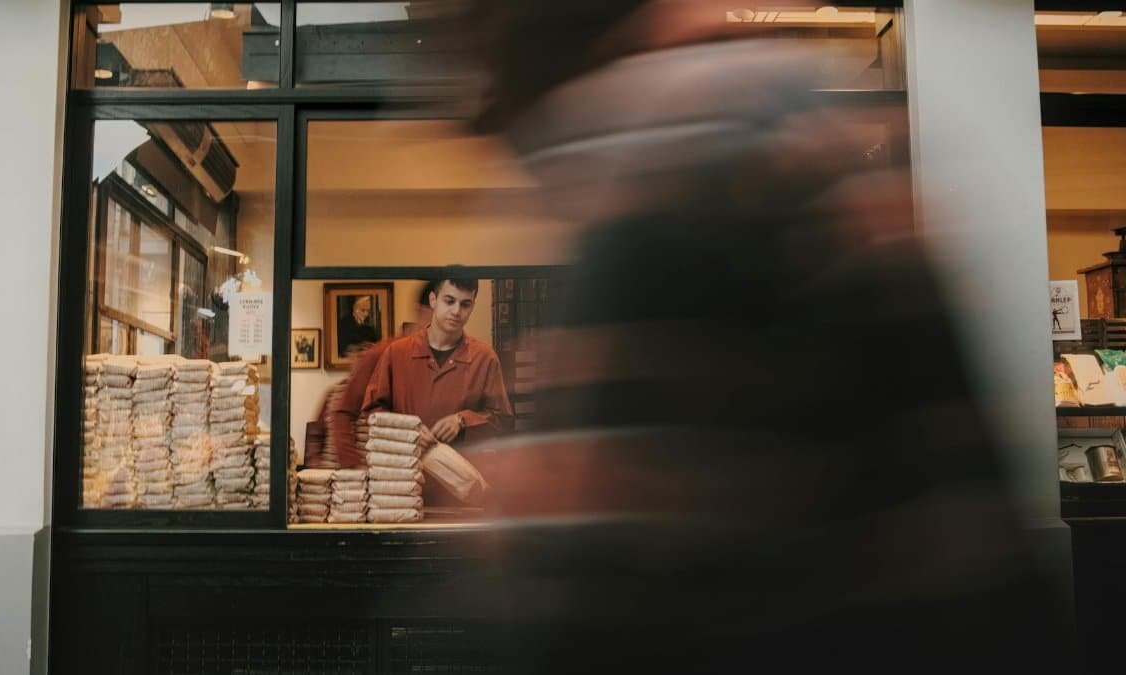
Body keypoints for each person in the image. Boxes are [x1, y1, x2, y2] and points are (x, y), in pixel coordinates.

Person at [424, 1, 1071, 672]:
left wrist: (541, 514)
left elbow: (608, 595)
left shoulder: (679, 159)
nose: (515, 162)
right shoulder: (782, 126)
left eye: (500, 117)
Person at [363, 278, 513, 451]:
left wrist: (462, 421)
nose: (456, 311)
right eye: (449, 301)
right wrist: (406, 431)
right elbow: (372, 413)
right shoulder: (396, 353)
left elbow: (503, 420)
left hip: (462, 472)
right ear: (433, 300)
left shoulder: (485, 358)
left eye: (465, 304)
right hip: (405, 470)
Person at [322, 282, 437, 468]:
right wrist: (354, 467)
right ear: (421, 310)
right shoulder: (383, 354)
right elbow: (342, 413)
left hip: (429, 474)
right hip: (387, 477)